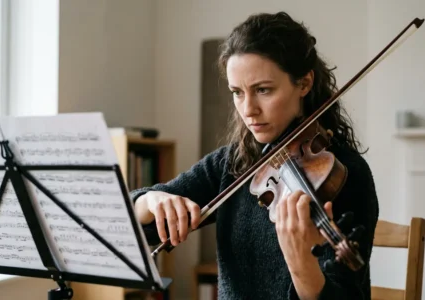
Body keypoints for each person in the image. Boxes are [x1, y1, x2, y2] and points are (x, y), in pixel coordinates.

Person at [131, 11, 379, 300]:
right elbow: (136, 221)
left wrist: (300, 263)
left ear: (304, 83)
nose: (248, 109)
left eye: (263, 90)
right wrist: (151, 200)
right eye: (237, 92)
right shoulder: (235, 163)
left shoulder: (345, 175)